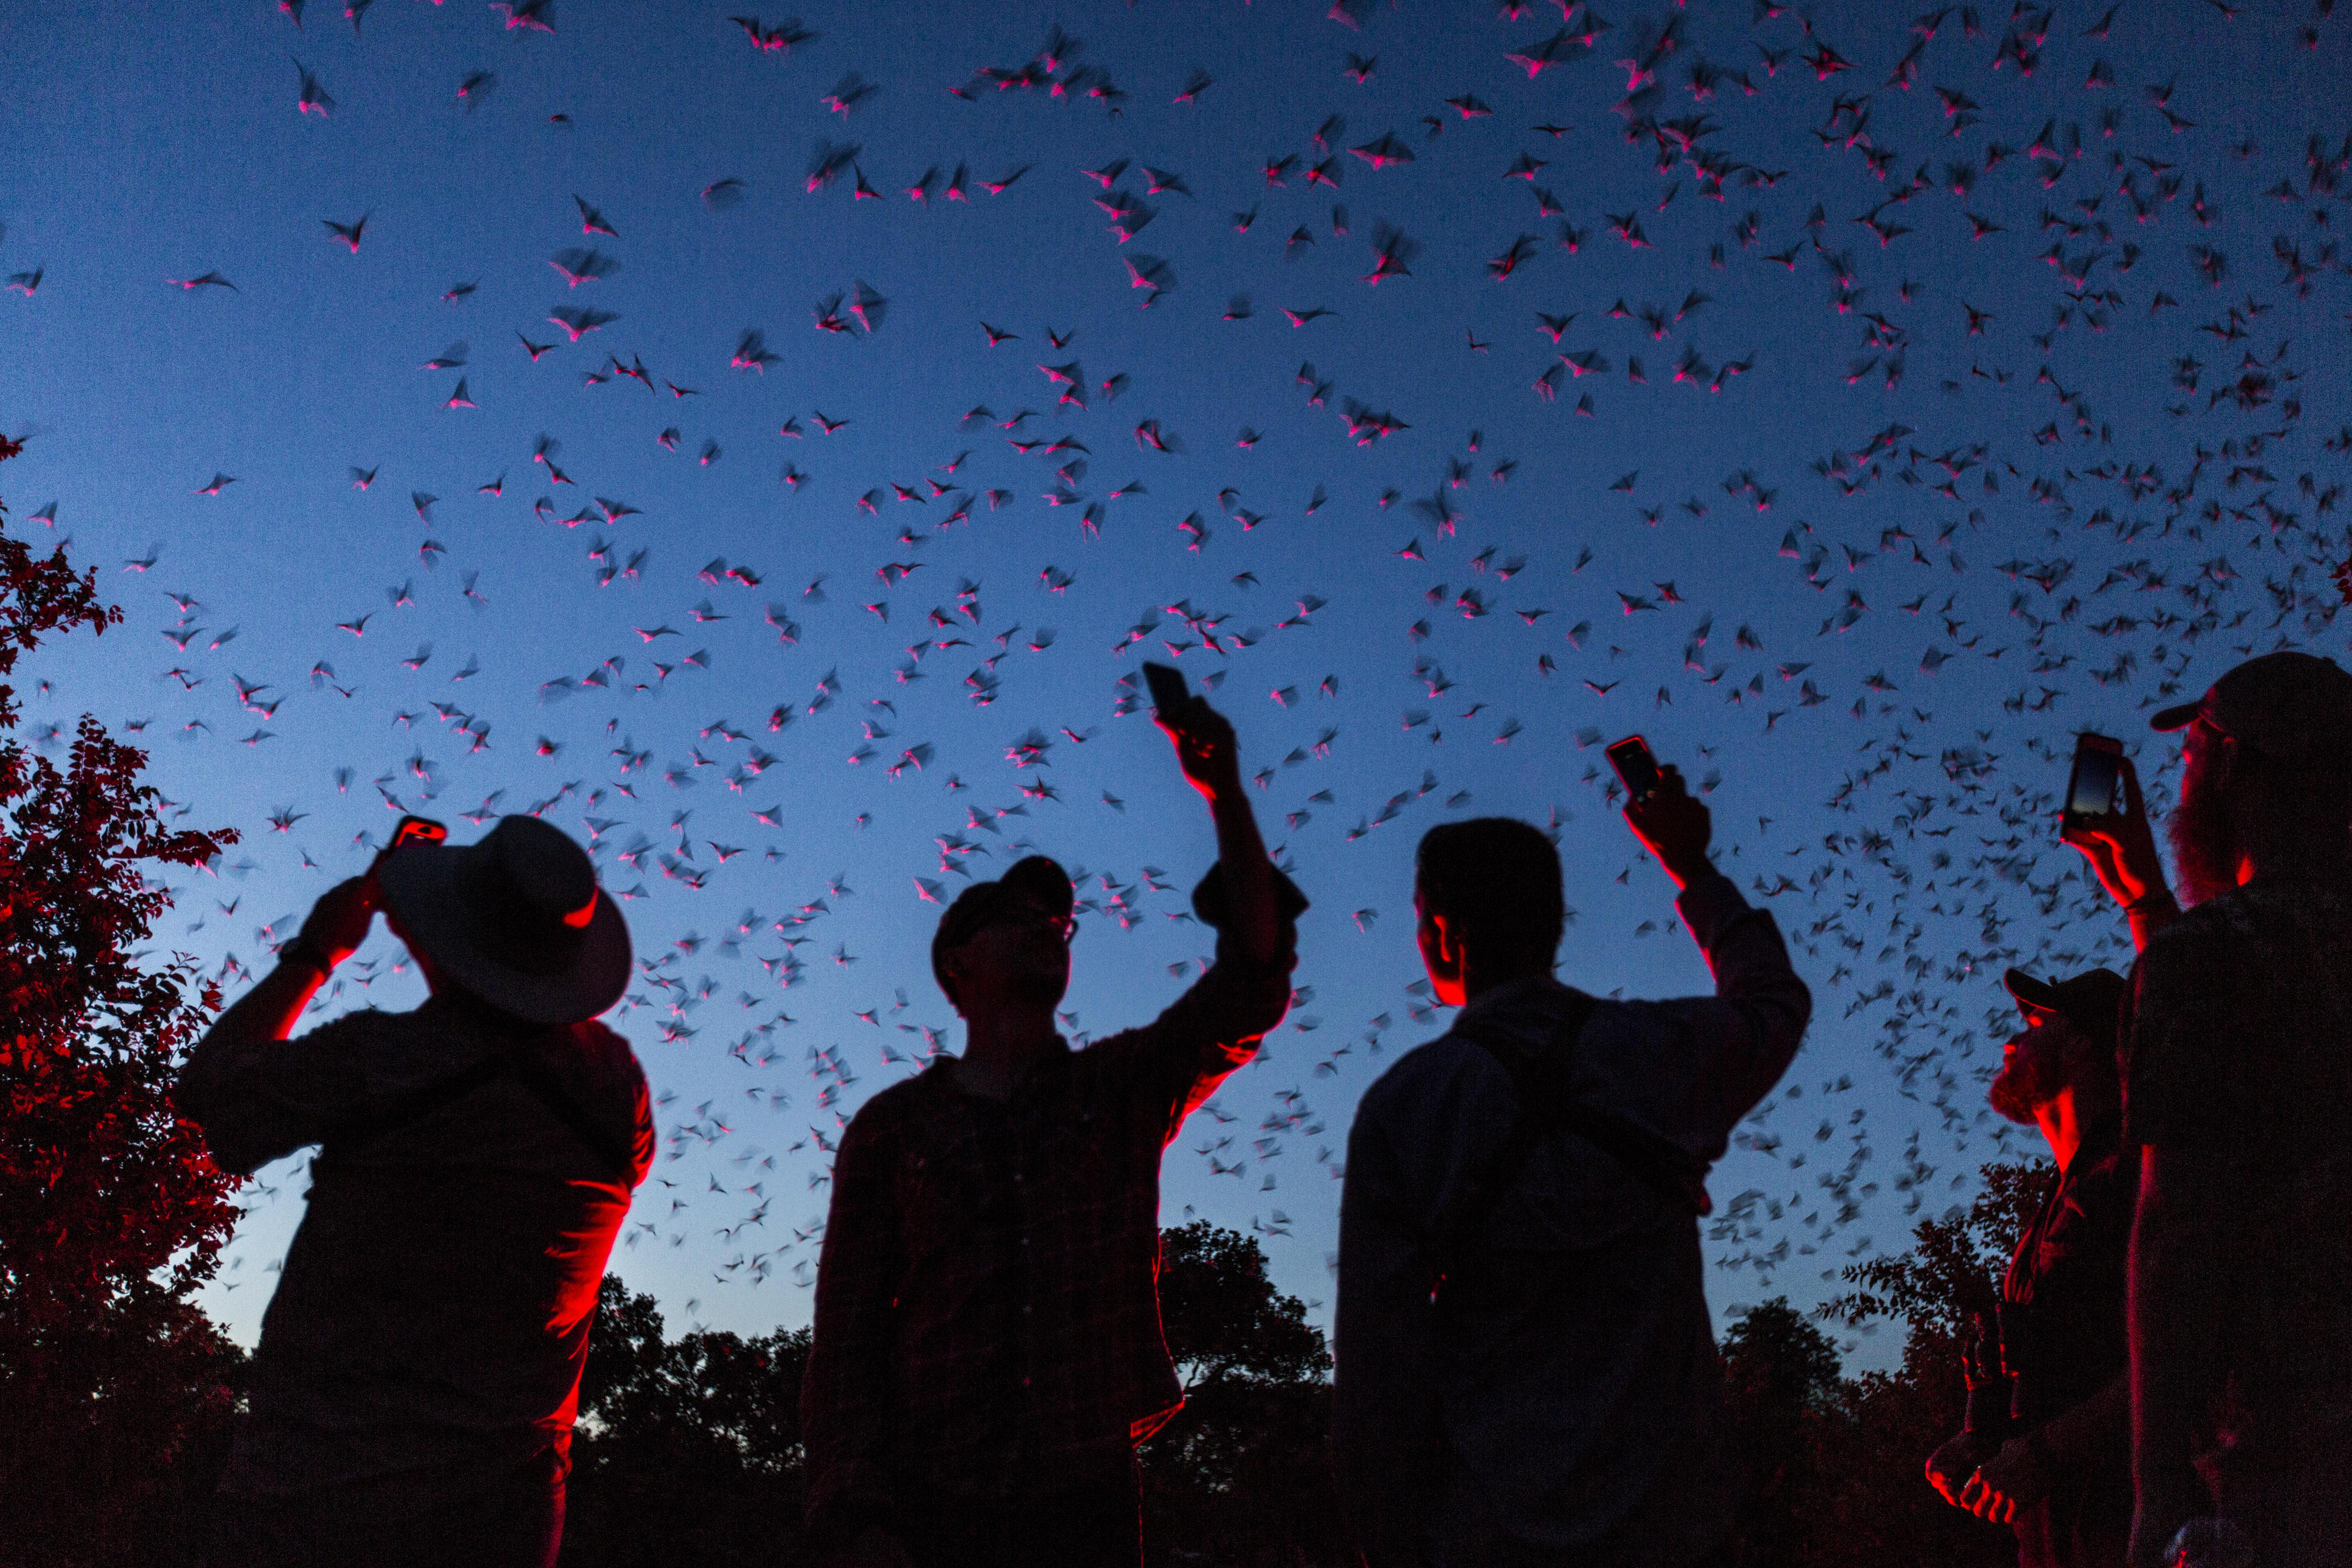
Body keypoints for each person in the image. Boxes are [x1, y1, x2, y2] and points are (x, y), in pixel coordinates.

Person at [799, 692, 1298, 1568]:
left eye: (1059, 926)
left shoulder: (1119, 1089)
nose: (1048, 933)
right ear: (958, 965)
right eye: (1017, 921)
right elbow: (846, 1344)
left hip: (1085, 1505)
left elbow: (1251, 977)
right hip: (928, 1506)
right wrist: (857, 1514)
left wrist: (1225, 792)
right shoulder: (892, 1129)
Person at [1334, 761, 1812, 1568]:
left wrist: (1390, 1540)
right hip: (1674, 1536)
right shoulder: (1659, 1056)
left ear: (1443, 934)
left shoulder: (1406, 1107)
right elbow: (1772, 1001)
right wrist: (1690, 867)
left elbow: (1379, 1374)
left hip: (1486, 1539)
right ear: (1557, 923)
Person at [180, 815, 653, 1568]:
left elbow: (210, 1093)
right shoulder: (616, 1087)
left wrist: (320, 948)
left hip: (311, 1504)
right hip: (506, 1521)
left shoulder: (381, 1060)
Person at [2112, 651, 2352, 1568]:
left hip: (2294, 1457)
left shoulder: (2211, 954)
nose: (2182, 780)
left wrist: (2158, 1490)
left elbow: (2174, 1229)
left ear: (2238, 765)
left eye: (2192, 756)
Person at [1924, 967, 2134, 1568]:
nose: (2014, 1038)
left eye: (2040, 1020)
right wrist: (1979, 1435)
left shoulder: (2133, 1175)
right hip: (2055, 1540)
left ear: (2085, 1046)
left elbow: (2186, 1349)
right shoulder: (2060, 1201)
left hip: (2125, 1533)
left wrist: (2045, 1453)